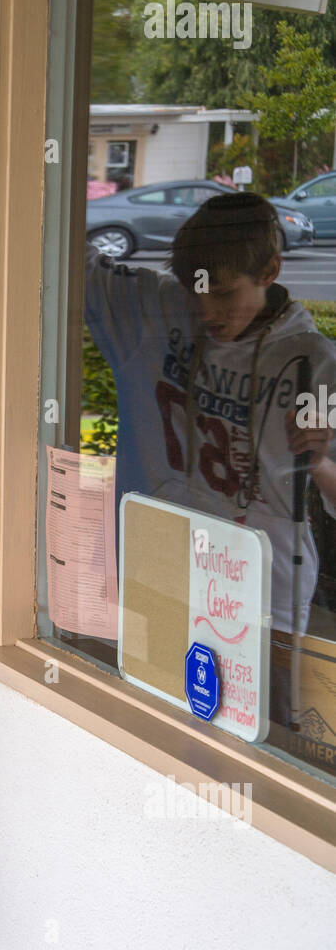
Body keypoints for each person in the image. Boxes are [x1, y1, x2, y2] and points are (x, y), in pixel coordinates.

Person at [84, 190, 336, 727]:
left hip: (260, 598)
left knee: (258, 736)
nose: (206, 312)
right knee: (152, 716)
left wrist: (317, 464)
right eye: (194, 292)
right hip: (160, 571)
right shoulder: (156, 305)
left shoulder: (313, 366)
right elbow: (56, 250)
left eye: (223, 295)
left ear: (270, 270)